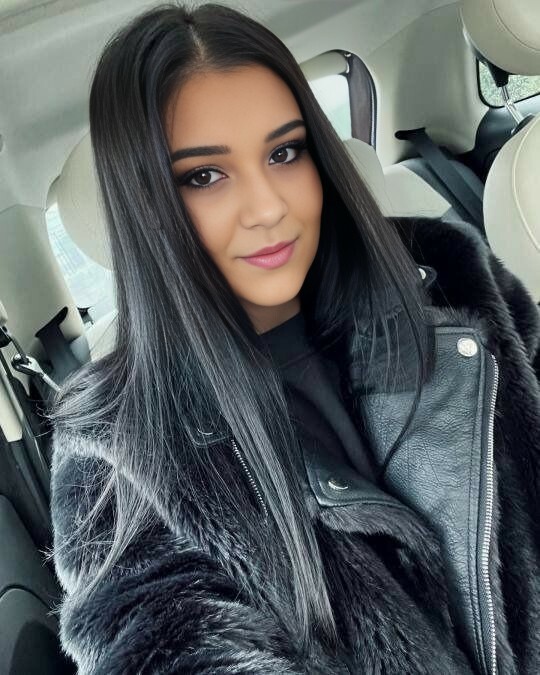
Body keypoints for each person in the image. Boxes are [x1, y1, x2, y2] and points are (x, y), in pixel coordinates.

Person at [46, 2, 540, 673]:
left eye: (284, 153)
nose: (269, 207)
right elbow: (158, 632)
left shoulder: (449, 279)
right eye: (204, 175)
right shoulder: (115, 449)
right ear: (146, 202)